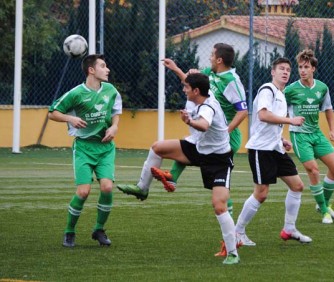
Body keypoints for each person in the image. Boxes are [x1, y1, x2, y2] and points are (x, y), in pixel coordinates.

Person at [123, 73, 240, 264]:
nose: (183, 89)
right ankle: (142, 188)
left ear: (196, 91)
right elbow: (195, 80)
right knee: (157, 148)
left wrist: (190, 122)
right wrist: (176, 69)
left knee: (219, 206)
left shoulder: (208, 106)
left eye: (186, 87)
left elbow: (203, 124)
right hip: (198, 149)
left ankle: (233, 252)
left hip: (219, 161)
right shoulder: (204, 91)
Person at [234, 57, 312, 247]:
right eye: (281, 69)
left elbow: (271, 122)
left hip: (275, 148)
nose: (285, 72)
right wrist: (290, 121)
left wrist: (281, 139)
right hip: (261, 149)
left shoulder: (281, 94)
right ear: (273, 72)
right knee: (261, 193)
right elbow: (263, 115)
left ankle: (289, 228)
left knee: (297, 185)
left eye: (287, 69)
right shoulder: (267, 89)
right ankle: (237, 232)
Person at [48, 54, 122, 247]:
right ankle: (69, 231)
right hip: (84, 148)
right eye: (103, 66)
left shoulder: (110, 90)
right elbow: (52, 113)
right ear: (91, 70)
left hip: (105, 148)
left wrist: (114, 127)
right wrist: (71, 119)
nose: (107, 70)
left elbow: (115, 113)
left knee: (107, 187)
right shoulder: (76, 93)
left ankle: (99, 230)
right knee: (83, 192)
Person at [284, 49, 334, 224]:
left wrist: (332, 129)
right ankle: (324, 210)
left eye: (306, 67)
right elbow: (277, 110)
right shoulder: (290, 90)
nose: (302, 70)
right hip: (300, 136)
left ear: (313, 69)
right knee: (314, 170)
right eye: (300, 67)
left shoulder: (322, 87)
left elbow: (328, 108)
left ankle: (322, 203)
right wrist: (285, 127)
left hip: (317, 134)